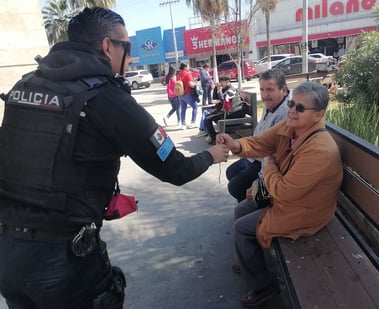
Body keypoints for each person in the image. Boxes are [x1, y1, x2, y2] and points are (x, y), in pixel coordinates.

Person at [0, 7, 230, 309]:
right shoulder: (106, 97)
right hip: (61, 261)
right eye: (128, 49)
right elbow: (175, 168)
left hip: (7, 253)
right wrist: (211, 154)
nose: (131, 59)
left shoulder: (26, 85)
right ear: (108, 45)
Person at [216, 81, 343, 307]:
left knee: (241, 228)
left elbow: (284, 191)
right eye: (293, 104)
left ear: (318, 115)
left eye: (300, 108)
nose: (292, 110)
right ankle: (250, 261)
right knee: (242, 207)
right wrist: (235, 145)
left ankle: (263, 286)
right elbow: (261, 142)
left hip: (305, 210)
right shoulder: (290, 127)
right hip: (287, 195)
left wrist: (269, 164)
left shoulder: (320, 150)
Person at [226, 69, 291, 203]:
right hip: (256, 153)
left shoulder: (285, 114)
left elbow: (273, 154)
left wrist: (260, 181)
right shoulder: (272, 103)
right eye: (262, 89)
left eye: (270, 90)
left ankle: (253, 205)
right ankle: (248, 204)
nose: (265, 95)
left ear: (283, 90)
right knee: (230, 172)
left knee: (235, 187)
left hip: (264, 160)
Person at [204, 74, 246, 145]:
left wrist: (219, 91)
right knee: (208, 117)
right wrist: (216, 89)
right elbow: (215, 98)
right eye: (220, 82)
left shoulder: (231, 90)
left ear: (227, 81)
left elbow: (224, 100)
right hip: (227, 111)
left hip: (232, 113)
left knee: (208, 119)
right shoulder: (225, 88)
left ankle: (214, 138)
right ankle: (214, 136)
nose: (220, 84)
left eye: (221, 82)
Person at [177, 62, 198, 129]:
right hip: (187, 93)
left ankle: (183, 124)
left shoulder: (179, 74)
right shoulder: (187, 74)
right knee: (195, 107)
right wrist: (195, 84)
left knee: (183, 109)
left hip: (180, 94)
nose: (189, 68)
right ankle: (192, 123)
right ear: (185, 67)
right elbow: (191, 84)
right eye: (188, 66)